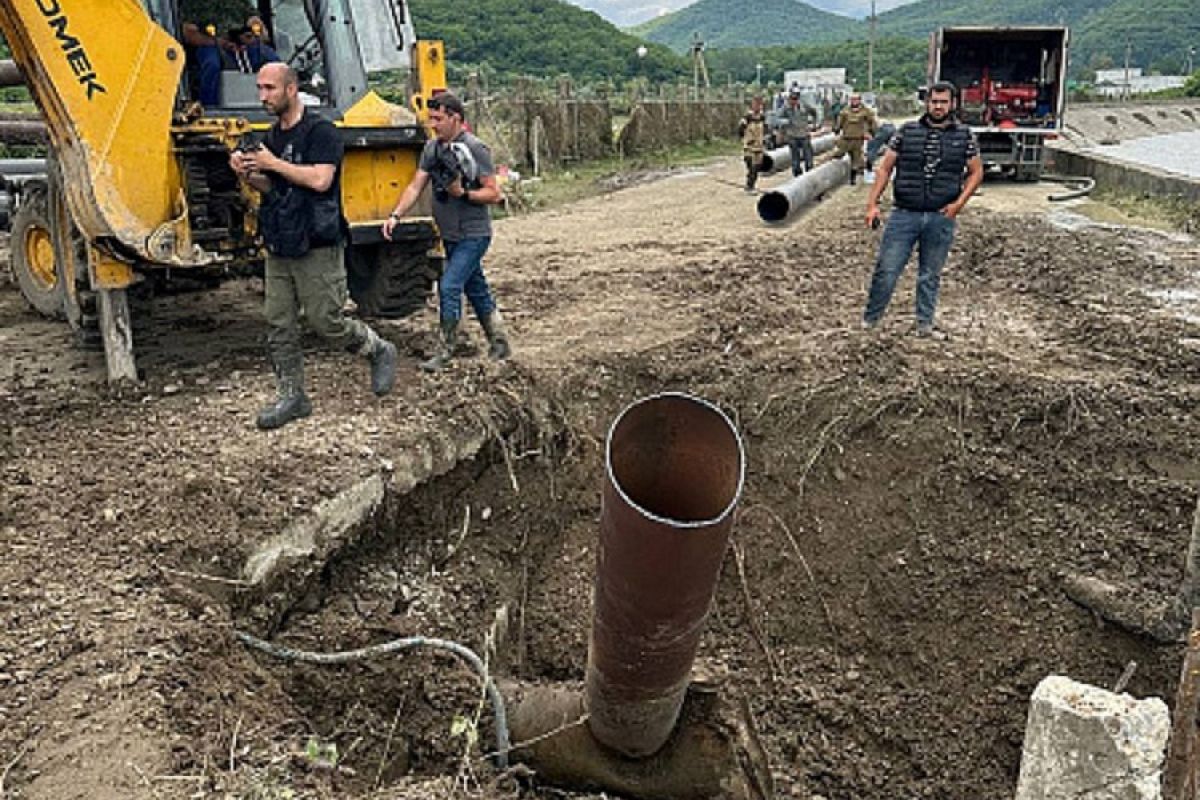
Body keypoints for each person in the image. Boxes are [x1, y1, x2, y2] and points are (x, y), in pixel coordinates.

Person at [230, 63, 398, 430]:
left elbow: (321, 180)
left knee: (327, 320)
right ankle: (293, 395)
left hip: (318, 241)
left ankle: (377, 349)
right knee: (278, 323)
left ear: (291, 89)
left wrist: (272, 162)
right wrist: (248, 173)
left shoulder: (321, 131)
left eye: (270, 88)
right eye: (259, 88)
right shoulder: (272, 137)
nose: (262, 97)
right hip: (280, 241)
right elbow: (274, 188)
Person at [381, 92, 509, 372]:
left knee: (450, 286)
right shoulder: (432, 149)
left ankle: (446, 349)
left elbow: (493, 193)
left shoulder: (475, 149)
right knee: (475, 287)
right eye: (431, 119)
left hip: (473, 234)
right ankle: (499, 341)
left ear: (456, 118)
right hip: (450, 234)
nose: (433, 125)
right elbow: (416, 185)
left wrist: (463, 194)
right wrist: (395, 215)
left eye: (438, 119)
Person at [861, 81, 984, 338]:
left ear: (952, 104)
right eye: (934, 101)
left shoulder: (964, 136)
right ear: (926, 103)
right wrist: (872, 204)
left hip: (941, 216)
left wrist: (959, 204)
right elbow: (885, 168)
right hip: (904, 214)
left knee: (930, 274)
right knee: (887, 270)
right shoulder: (907, 132)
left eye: (943, 102)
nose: (938, 106)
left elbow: (976, 172)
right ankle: (870, 322)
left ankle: (924, 325)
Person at [832, 93, 878, 185]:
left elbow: (872, 122)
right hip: (846, 138)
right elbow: (839, 122)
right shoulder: (845, 111)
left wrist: (872, 132)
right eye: (852, 100)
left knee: (856, 159)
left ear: (859, 100)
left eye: (856, 99)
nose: (854, 101)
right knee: (838, 153)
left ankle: (852, 179)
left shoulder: (865, 111)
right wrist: (836, 130)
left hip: (858, 139)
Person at [775, 89, 819, 176]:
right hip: (792, 135)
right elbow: (777, 118)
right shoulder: (785, 107)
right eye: (792, 99)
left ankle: (809, 172)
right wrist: (786, 122)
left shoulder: (804, 106)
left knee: (808, 156)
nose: (793, 101)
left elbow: (814, 112)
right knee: (795, 157)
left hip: (804, 134)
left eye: (795, 99)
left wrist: (814, 124)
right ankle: (797, 173)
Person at [737, 95, 767, 192]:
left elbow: (766, 129)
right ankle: (749, 185)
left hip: (759, 146)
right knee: (750, 165)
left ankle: (751, 185)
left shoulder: (762, 117)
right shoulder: (747, 117)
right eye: (756, 104)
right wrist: (745, 139)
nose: (758, 107)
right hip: (749, 146)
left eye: (760, 105)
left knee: (756, 167)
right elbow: (740, 130)